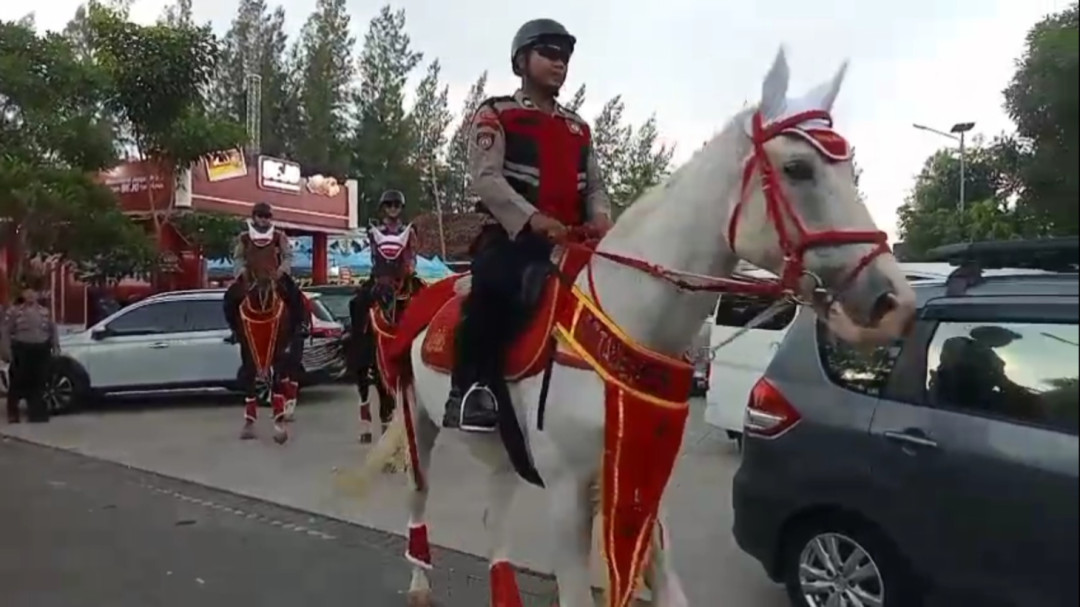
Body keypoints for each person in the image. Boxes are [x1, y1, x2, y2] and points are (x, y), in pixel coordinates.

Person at [443, 18, 614, 433]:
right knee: (495, 284)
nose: (560, 64)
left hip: (574, 240)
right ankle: (470, 390)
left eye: (566, 57)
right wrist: (532, 219)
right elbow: (486, 177)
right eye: (550, 54)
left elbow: (595, 186)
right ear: (522, 61)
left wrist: (603, 220)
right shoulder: (497, 113)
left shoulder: (579, 128)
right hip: (513, 236)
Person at [223, 202, 308, 341]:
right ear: (254, 217)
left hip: (275, 277)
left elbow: (288, 256)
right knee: (230, 297)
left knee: (295, 295)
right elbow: (238, 257)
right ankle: (236, 331)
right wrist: (242, 270)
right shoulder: (244, 237)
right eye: (260, 216)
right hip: (251, 278)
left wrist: (281, 270)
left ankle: (300, 325)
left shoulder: (278, 236)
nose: (264, 219)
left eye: (267, 216)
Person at [2, 277, 58, 423]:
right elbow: (6, 331)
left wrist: (55, 346)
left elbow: (53, 330)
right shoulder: (14, 311)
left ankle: (37, 413)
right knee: (18, 382)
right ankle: (13, 414)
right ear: (23, 294)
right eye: (28, 292)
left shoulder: (44, 311)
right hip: (22, 349)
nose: (31, 295)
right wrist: (6, 351)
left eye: (34, 293)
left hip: (40, 349)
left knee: (39, 382)